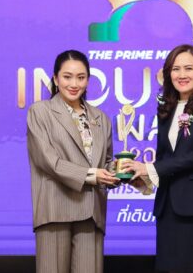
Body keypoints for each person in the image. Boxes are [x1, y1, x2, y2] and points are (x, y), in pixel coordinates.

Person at [122, 44, 193, 273]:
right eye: (175, 69)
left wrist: (150, 168)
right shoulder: (166, 109)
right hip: (168, 208)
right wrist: (144, 179)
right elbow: (166, 157)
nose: (182, 74)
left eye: (188, 68)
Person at [27, 50, 120, 273]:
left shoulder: (101, 118)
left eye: (81, 77)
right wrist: (92, 175)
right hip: (55, 209)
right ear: (56, 78)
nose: (74, 84)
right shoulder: (40, 112)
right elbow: (47, 160)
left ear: (88, 80)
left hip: (91, 211)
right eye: (67, 77)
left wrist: (120, 171)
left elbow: (105, 162)